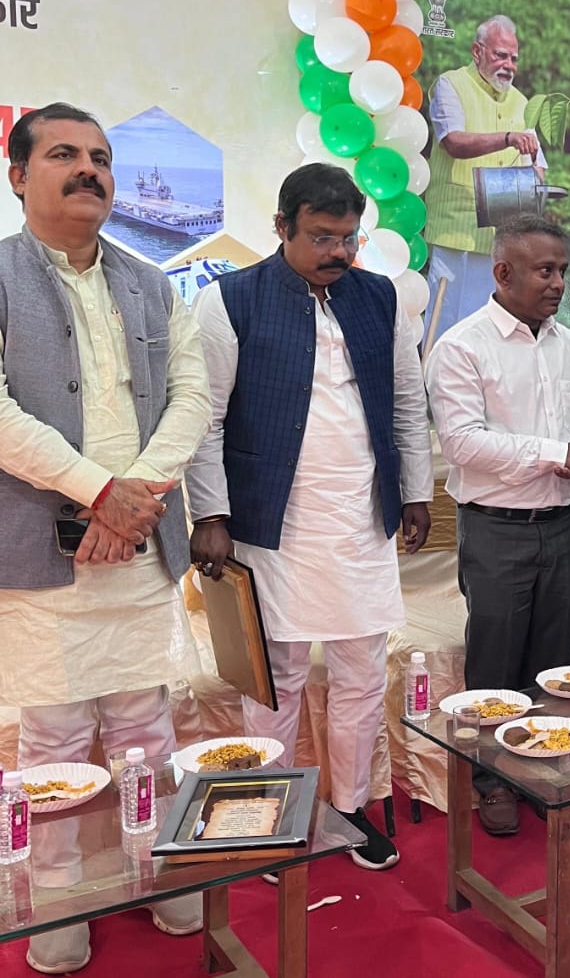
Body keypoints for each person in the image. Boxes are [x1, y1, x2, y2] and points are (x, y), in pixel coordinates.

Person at [0, 102, 212, 973]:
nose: (89, 168)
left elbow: (192, 396)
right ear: (19, 176)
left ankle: (154, 873)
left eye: (100, 156)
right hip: (40, 552)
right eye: (64, 154)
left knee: (145, 729)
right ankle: (55, 905)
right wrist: (97, 492)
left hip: (139, 542)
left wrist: (136, 497)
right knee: (51, 741)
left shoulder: (153, 281)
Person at [187, 163, 433, 873]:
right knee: (276, 679)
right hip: (273, 525)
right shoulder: (229, 300)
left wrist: (415, 492)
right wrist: (210, 512)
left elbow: (407, 402)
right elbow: (205, 419)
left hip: (361, 519)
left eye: (349, 238)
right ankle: (264, 813)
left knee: (361, 674)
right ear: (282, 227)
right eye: (322, 237)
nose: (338, 252)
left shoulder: (381, 297)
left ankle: (349, 807)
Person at [425, 214, 570, 837]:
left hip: (562, 523)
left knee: (552, 662)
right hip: (495, 528)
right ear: (502, 273)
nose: (558, 283)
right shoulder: (461, 346)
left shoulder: (567, 342)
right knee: (495, 663)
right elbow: (463, 443)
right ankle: (492, 780)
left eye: (563, 271)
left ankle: (541, 766)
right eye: (545, 271)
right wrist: (557, 453)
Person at [424, 14, 547, 337]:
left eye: (514, 58)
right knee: (445, 327)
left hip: (501, 241)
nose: (508, 65)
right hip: (455, 232)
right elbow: (453, 141)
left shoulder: (522, 102)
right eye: (500, 55)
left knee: (487, 333)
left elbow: (538, 165)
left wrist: (535, 181)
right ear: (477, 52)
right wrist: (507, 139)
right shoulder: (451, 84)